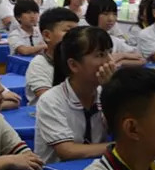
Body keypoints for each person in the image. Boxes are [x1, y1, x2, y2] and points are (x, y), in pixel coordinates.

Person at [35, 26, 115, 163]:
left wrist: (112, 91)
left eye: (110, 53)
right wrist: (118, 148)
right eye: (100, 55)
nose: (110, 61)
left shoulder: (104, 93)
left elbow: (123, 130)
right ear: (74, 65)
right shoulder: (51, 100)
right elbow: (67, 151)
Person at [24, 7, 79, 106]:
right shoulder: (39, 64)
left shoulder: (78, 62)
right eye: (68, 31)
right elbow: (47, 100)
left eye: (77, 32)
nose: (75, 37)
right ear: (47, 36)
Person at [84, 0, 146, 68]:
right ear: (93, 14)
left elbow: (141, 59)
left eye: (114, 14)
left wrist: (121, 58)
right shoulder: (84, 38)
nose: (111, 19)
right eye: (105, 14)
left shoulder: (113, 40)